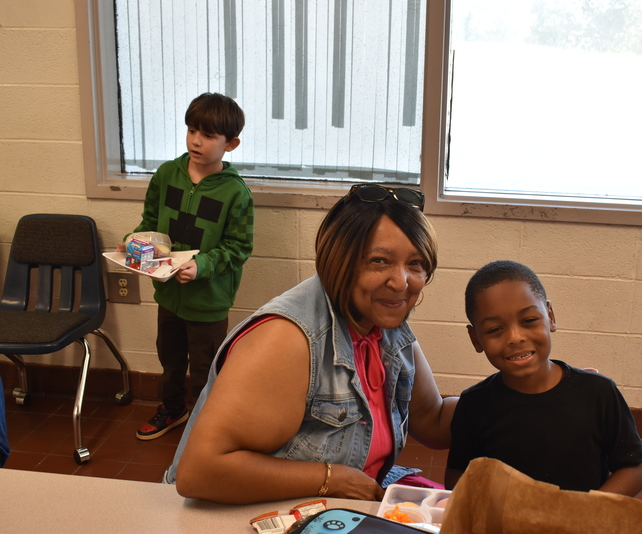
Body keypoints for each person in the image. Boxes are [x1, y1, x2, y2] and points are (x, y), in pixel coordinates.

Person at [165, 184, 457, 504]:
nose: (401, 281)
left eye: (415, 264)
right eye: (379, 261)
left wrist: (510, 386)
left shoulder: (382, 324)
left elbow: (433, 419)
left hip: (334, 505)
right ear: (341, 261)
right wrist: (333, 480)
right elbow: (200, 473)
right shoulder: (288, 339)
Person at [445, 260, 642, 497]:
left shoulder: (599, 393)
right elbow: (458, 475)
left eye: (529, 321)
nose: (515, 337)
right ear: (476, 338)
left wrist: (589, 512)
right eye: (494, 330)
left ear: (550, 316)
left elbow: (635, 468)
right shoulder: (474, 405)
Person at [122, 92, 254, 441]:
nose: (197, 140)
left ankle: (202, 424)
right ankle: (173, 408)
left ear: (231, 144)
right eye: (192, 130)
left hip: (207, 302)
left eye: (209, 135)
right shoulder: (167, 174)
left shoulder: (235, 193)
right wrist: (134, 244)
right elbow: (150, 221)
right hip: (168, 295)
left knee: (205, 367)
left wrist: (202, 266)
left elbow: (239, 248)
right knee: (171, 358)